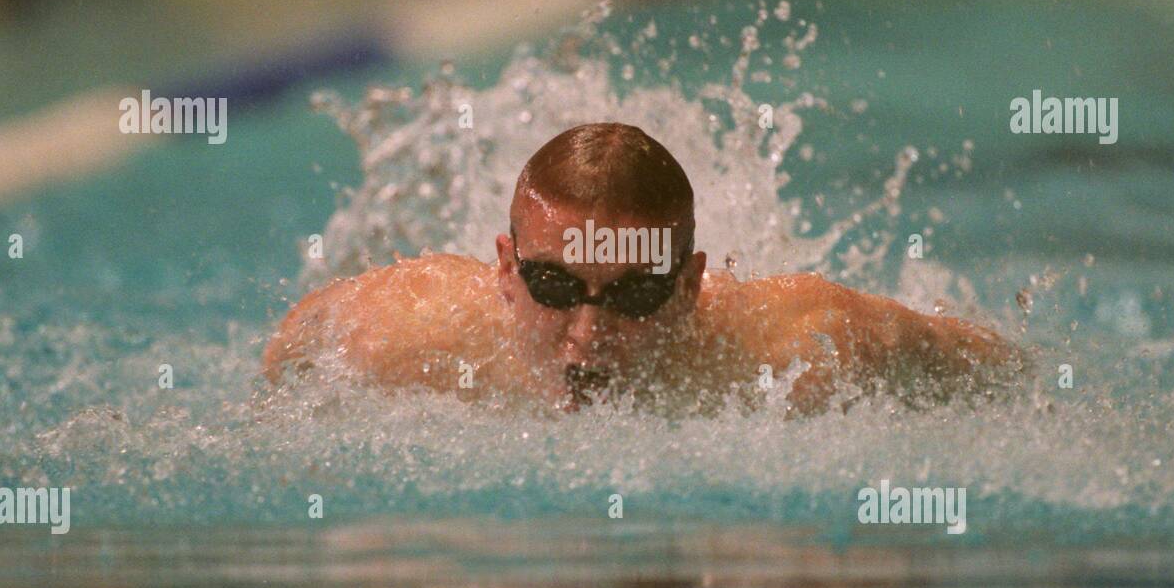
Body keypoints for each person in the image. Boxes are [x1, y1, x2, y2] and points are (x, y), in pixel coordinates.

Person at [264, 123, 1023, 414]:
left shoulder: (803, 348)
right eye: (555, 287)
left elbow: (1005, 373)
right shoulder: (404, 331)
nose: (588, 334)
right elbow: (283, 363)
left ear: (688, 288)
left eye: (634, 295)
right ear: (505, 270)